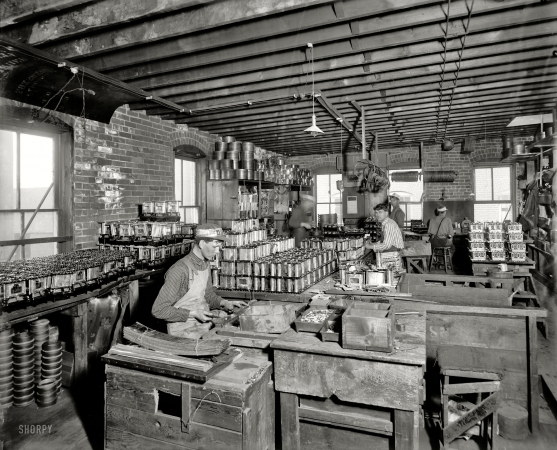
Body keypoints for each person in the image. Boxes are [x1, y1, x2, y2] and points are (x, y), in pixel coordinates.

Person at [152, 223, 247, 338]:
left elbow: (208, 295)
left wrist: (226, 303)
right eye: (214, 246)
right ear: (202, 243)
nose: (217, 251)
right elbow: (159, 310)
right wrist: (193, 314)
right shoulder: (179, 271)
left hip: (203, 327)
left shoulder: (205, 264)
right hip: (184, 333)